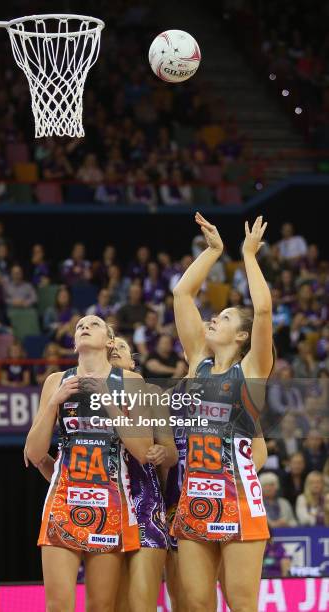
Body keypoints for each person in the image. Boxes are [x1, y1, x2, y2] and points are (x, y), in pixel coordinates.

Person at [172, 213, 273, 612]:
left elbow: (263, 311)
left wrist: (248, 255)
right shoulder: (197, 361)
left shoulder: (251, 370)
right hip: (193, 496)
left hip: (240, 499)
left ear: (242, 336)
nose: (214, 318)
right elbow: (182, 295)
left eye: (225, 317)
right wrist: (214, 251)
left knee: (241, 603)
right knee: (196, 603)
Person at [24, 315, 153, 612]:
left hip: (111, 505)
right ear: (74, 342)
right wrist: (54, 403)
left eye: (94, 324)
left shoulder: (131, 382)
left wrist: (107, 399)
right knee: (57, 605)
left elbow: (143, 451)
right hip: (63, 503)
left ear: (109, 341)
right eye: (80, 325)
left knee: (101, 606)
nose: (84, 326)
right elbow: (33, 452)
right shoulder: (57, 381)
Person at [164, 326, 269, 612]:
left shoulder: (234, 394)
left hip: (229, 499)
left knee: (237, 596)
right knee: (189, 600)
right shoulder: (165, 399)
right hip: (181, 501)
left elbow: (258, 451)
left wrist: (229, 477)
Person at [111, 336, 178, 612]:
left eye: (122, 347)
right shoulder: (83, 392)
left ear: (132, 363)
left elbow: (171, 452)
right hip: (104, 503)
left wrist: (162, 453)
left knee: (142, 603)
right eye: (110, 347)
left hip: (144, 503)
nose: (114, 349)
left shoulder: (149, 392)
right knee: (113, 603)